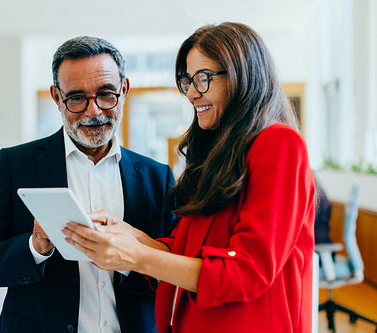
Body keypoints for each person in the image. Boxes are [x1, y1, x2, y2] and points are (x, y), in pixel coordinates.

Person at [63, 23, 316, 333]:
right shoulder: (215, 153)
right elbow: (188, 253)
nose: (193, 93)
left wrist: (137, 256)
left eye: (204, 79)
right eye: (187, 80)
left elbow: (247, 271)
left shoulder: (279, 144)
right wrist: (132, 237)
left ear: (243, 77)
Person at [0, 36, 178, 333]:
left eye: (106, 94)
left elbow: (177, 274)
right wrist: (34, 246)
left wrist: (133, 255)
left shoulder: (158, 177)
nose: (94, 111)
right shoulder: (16, 165)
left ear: (124, 89)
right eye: (77, 98)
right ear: (56, 97)